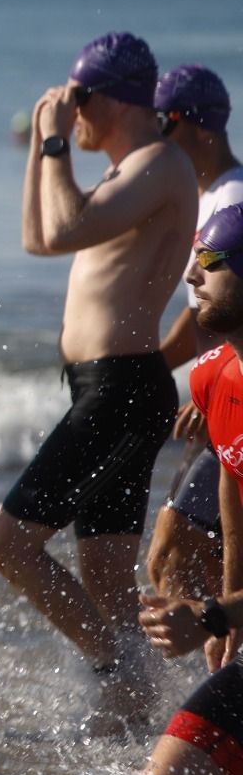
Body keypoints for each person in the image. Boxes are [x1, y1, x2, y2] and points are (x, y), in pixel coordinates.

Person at [0, 31, 196, 729]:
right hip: (104, 389)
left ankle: (114, 667)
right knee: (106, 580)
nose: (70, 111)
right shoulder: (123, 172)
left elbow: (69, 223)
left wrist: (52, 143)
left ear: (108, 97)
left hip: (123, 388)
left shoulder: (159, 165)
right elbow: (40, 239)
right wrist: (40, 151)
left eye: (78, 97)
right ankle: (137, 712)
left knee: (9, 544)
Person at [138, 202, 243, 775]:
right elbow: (233, 495)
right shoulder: (212, 378)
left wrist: (213, 614)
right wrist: (231, 616)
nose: (191, 276)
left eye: (208, 261)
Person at [148, 65, 243, 604]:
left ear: (199, 125)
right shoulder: (209, 193)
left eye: (165, 121)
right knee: (202, 555)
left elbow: (224, 320)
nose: (156, 135)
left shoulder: (232, 197)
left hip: (228, 400)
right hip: (217, 393)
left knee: (172, 552)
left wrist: (151, 368)